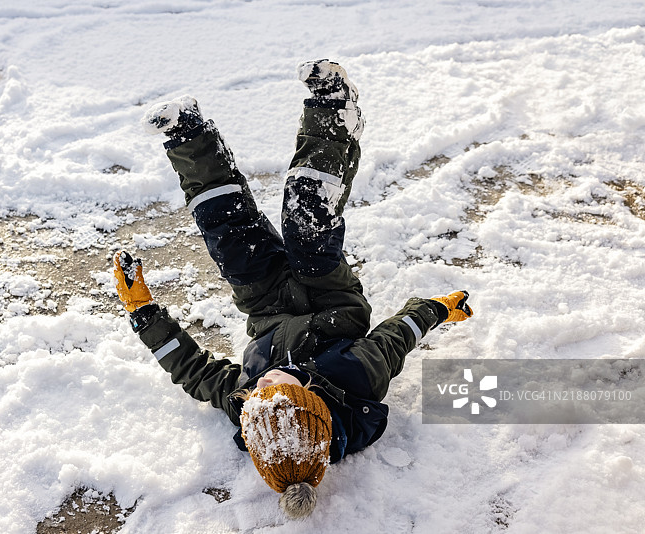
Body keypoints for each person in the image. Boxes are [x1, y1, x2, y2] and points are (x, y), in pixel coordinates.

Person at [112, 59, 474, 520]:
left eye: (253, 399)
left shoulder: (250, 408)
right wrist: (437, 308)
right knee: (306, 224)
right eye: (270, 391)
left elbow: (193, 372)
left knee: (226, 232)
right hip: (329, 296)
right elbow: (397, 334)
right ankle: (333, 108)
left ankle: (188, 134)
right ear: (308, 400)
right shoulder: (358, 376)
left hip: (265, 302)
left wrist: (142, 311)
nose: (258, 386)